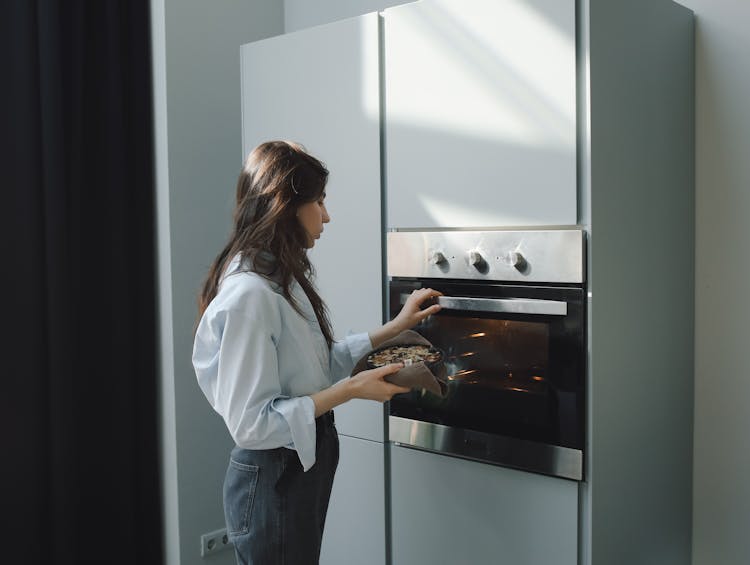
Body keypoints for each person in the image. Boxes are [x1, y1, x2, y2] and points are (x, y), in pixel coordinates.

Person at [192, 140, 441, 565]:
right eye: (319, 201)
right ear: (285, 206)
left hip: (299, 469)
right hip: (274, 477)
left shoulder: (279, 278)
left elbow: (317, 363)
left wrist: (395, 327)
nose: (326, 215)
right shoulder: (250, 295)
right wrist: (350, 391)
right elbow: (252, 425)